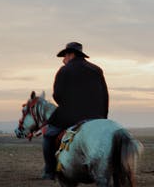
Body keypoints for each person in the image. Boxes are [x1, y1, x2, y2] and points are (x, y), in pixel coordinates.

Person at [42, 41, 109, 179]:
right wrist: (103, 118)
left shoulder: (64, 70)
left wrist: (68, 107)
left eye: (64, 55)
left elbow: (57, 95)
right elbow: (105, 95)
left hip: (71, 115)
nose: (63, 59)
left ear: (71, 54)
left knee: (48, 135)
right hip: (96, 117)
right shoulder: (97, 70)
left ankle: (49, 171)